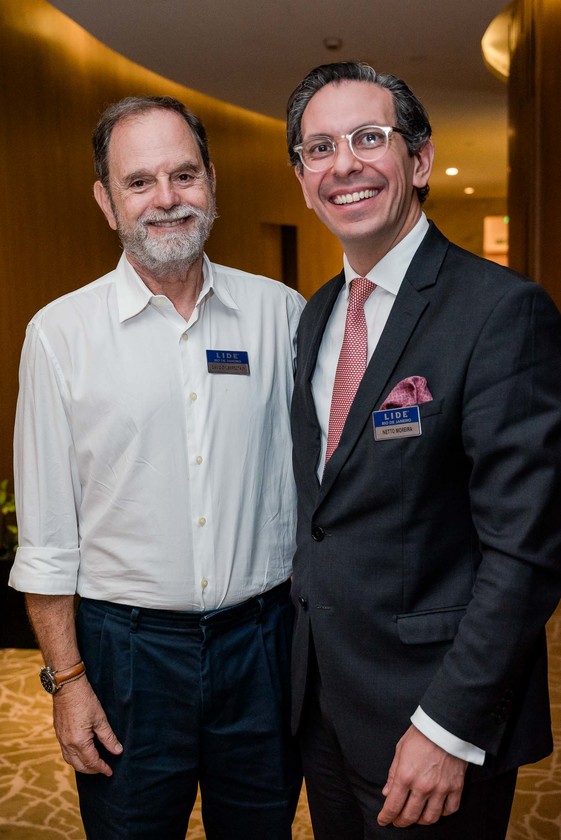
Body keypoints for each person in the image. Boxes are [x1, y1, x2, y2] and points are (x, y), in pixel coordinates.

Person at [9, 95, 304, 840]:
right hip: (126, 656)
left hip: (264, 646)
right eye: (139, 182)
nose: (166, 199)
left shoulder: (282, 316)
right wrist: (68, 683)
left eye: (184, 175)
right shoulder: (60, 335)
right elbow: (46, 537)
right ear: (107, 203)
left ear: (213, 184)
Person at [286, 61, 561, 839]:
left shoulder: (500, 312)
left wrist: (446, 727)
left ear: (418, 158)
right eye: (318, 148)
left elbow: (527, 551)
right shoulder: (316, 317)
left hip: (430, 719)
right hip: (324, 707)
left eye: (368, 138)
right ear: (303, 178)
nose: (343, 164)